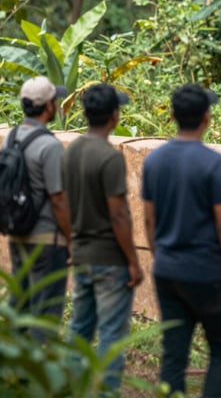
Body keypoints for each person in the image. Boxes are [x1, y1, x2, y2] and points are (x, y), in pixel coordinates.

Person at [142, 83, 221, 398]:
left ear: (172, 115)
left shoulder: (153, 161)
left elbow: (149, 219)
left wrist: (159, 255)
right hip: (208, 273)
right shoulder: (213, 163)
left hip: (168, 270)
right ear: (207, 117)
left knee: (174, 354)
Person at [61, 83, 144, 391]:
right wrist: (133, 261)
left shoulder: (72, 152)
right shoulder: (109, 158)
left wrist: (73, 243)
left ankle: (68, 388)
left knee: (79, 329)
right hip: (109, 258)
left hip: (82, 254)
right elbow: (119, 214)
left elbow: (64, 203)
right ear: (114, 116)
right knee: (111, 335)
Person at [6, 75, 71, 327]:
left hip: (18, 233)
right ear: (48, 106)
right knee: (44, 310)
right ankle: (41, 358)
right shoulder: (49, 146)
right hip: (46, 239)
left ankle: (14, 360)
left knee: (20, 304)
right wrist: (71, 238)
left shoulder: (12, 138)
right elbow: (58, 198)